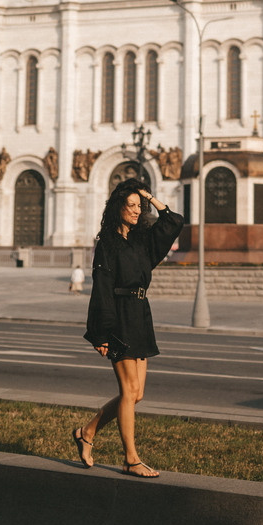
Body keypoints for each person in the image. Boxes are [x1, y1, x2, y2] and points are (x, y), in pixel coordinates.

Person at [73, 180, 183, 478]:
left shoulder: (142, 241)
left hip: (140, 314)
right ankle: (130, 459)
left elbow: (174, 221)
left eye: (140, 206)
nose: (137, 210)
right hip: (119, 316)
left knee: (136, 395)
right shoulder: (107, 245)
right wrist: (101, 332)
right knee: (128, 391)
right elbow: (102, 289)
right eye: (131, 205)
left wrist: (147, 194)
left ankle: (87, 432)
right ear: (117, 208)